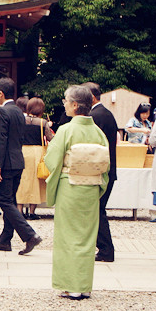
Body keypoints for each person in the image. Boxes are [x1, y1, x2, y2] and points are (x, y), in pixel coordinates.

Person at [44, 85, 109, 299]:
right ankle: (84, 285)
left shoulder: (66, 130)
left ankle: (71, 285)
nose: (64, 104)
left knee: (68, 236)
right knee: (87, 237)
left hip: (70, 186)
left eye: (65, 100)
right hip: (90, 188)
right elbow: (105, 165)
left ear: (74, 105)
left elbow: (52, 160)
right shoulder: (97, 132)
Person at [0, 78, 43, 255]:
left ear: (0, 94)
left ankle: (29, 235)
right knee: (11, 201)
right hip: (18, 161)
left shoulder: (2, 112)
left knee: (5, 202)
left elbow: (1, 140)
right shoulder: (19, 112)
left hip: (5, 163)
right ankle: (5, 240)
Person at [84, 82, 118, 262]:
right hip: (107, 170)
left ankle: (106, 249)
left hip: (101, 171)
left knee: (97, 210)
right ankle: (102, 248)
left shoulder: (96, 116)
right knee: (97, 209)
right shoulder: (105, 113)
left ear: (91, 97)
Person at [16, 98, 54, 220]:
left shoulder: (21, 120)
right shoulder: (43, 122)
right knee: (36, 182)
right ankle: (32, 212)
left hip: (22, 150)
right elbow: (50, 138)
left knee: (22, 180)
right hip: (37, 152)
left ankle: (19, 210)